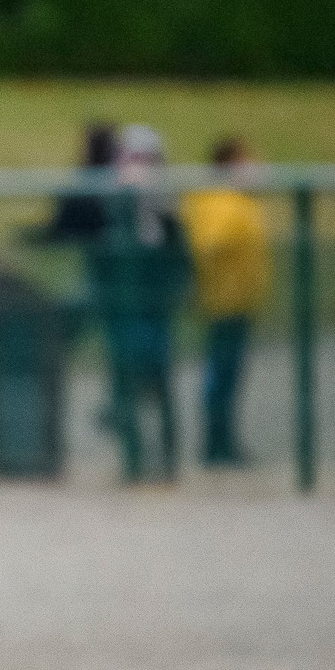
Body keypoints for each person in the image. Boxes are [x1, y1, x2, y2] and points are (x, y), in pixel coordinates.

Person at [91, 124, 189, 482]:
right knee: (124, 380)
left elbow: (180, 260)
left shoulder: (167, 212)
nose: (140, 169)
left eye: (148, 161)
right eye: (134, 159)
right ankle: (133, 461)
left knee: (160, 379)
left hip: (153, 308)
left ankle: (166, 460)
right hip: (121, 308)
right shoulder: (111, 204)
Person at [182, 136, 270, 466]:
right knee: (221, 375)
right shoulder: (223, 202)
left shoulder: (237, 201)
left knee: (229, 375)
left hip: (238, 302)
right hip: (223, 302)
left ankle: (223, 440)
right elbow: (208, 245)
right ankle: (217, 443)